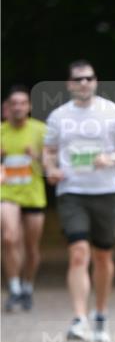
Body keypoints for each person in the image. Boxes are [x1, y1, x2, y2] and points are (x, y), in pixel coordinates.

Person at [42, 60, 115, 342]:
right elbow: (48, 150)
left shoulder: (113, 113)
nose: (84, 83)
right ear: (69, 84)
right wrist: (50, 169)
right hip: (72, 191)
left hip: (106, 190)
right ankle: (79, 318)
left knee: (103, 255)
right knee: (78, 252)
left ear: (95, 81)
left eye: (89, 78)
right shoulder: (59, 116)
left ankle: (101, 313)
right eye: (78, 79)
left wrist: (112, 158)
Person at [0, 86, 48, 311]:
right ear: (7, 108)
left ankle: (28, 286)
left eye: (22, 103)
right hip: (7, 193)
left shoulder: (40, 131)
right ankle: (14, 287)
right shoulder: (1, 131)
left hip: (33, 194)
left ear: (29, 107)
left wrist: (36, 156)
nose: (18, 107)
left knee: (31, 247)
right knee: (9, 238)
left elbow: (51, 164)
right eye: (13, 103)